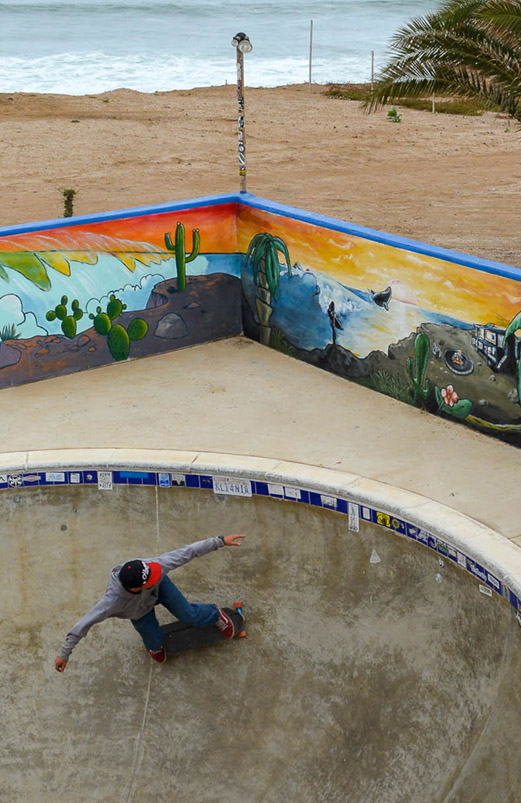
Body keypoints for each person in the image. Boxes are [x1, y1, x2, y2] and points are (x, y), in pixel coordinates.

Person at [55, 533, 245, 671]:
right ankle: (154, 645)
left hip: (161, 589)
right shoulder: (112, 602)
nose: (158, 573)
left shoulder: (156, 568)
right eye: (152, 577)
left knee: (190, 615)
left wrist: (219, 541)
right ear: (136, 588)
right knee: (154, 641)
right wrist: (64, 654)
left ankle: (214, 613)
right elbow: (83, 624)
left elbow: (187, 552)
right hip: (137, 610)